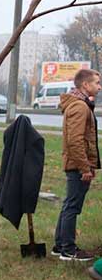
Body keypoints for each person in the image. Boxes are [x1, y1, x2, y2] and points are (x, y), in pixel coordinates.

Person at [53, 68, 101, 261]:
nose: (99, 87)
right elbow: (75, 141)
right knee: (72, 207)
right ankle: (68, 250)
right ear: (85, 85)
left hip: (78, 164)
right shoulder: (79, 107)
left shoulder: (80, 105)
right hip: (77, 166)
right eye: (97, 83)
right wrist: (85, 168)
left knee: (69, 205)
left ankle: (60, 245)